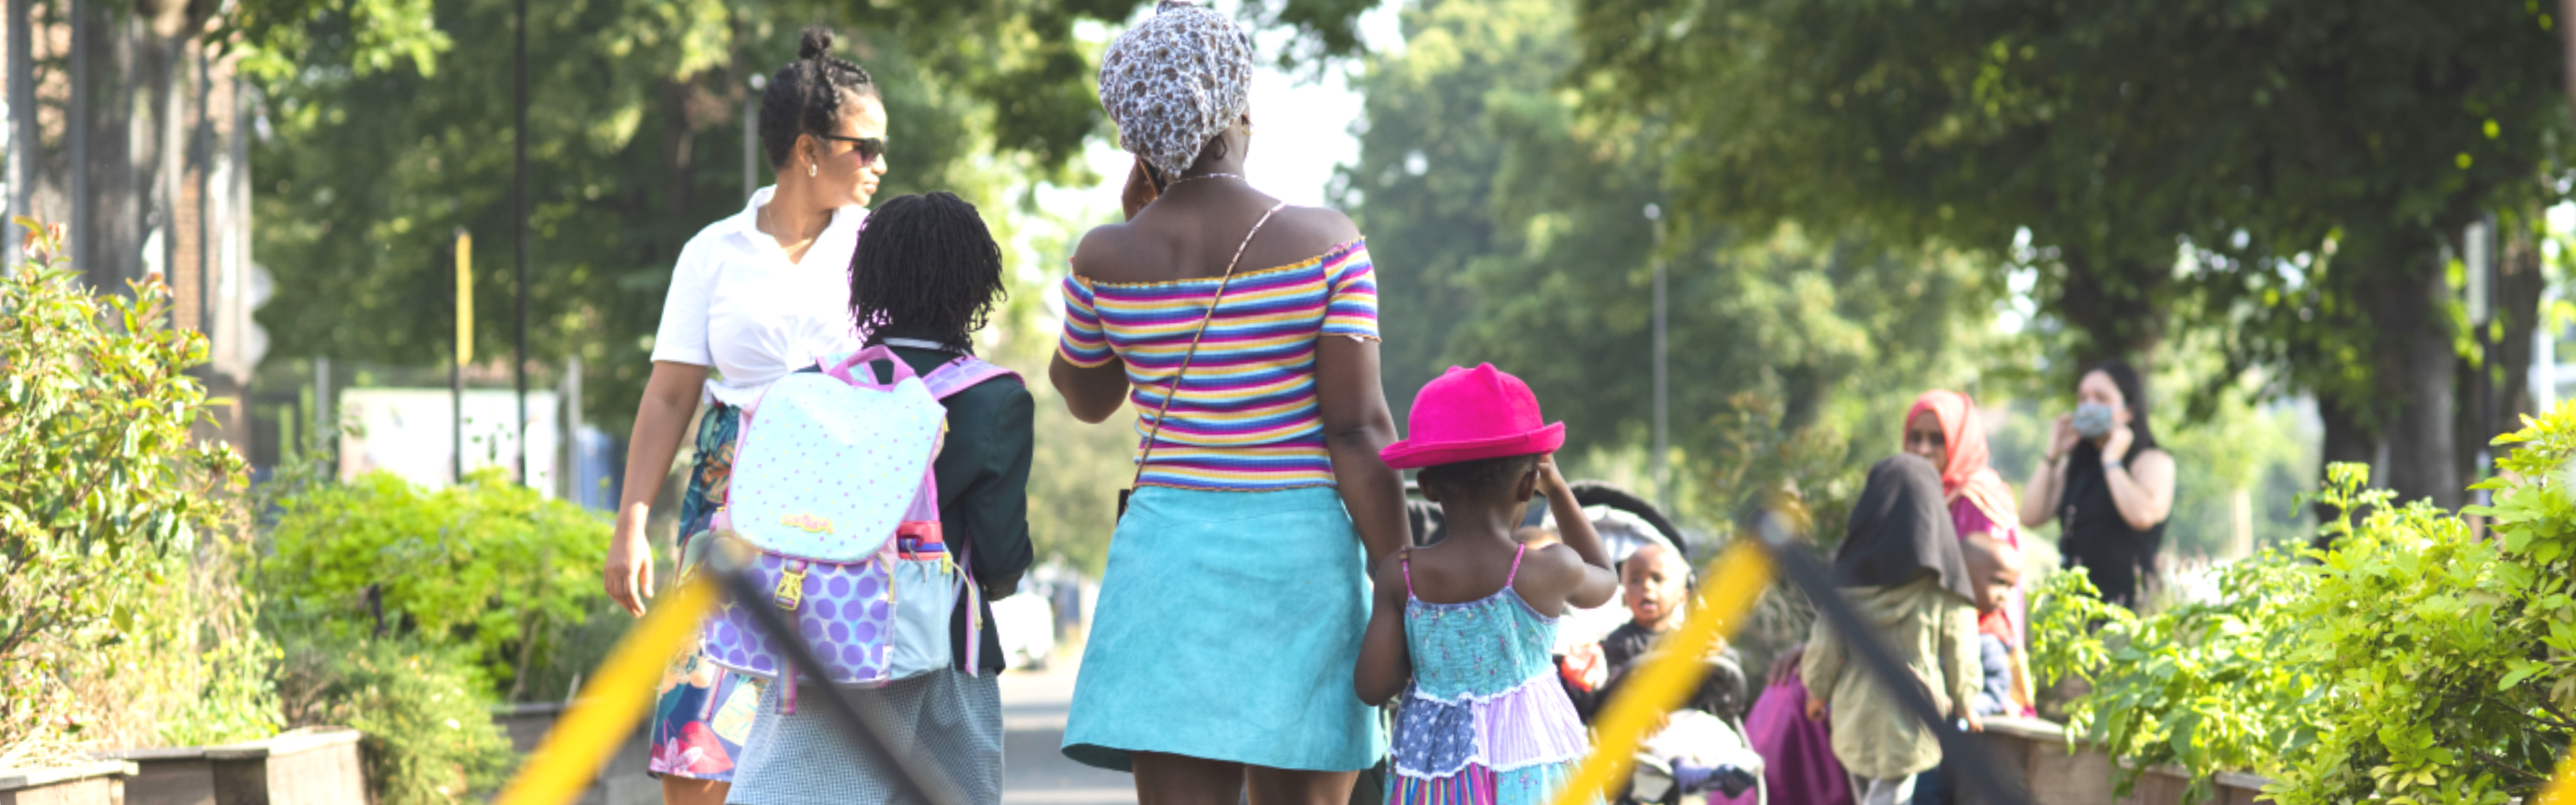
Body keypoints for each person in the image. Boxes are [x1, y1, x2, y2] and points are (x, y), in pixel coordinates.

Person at [1049, 3, 1411, 800]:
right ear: (1240, 108)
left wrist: (1129, 230)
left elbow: (1085, 394)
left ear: (1136, 135)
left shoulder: (1106, 256)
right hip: (1300, 566)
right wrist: (1400, 577)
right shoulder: (1326, 243)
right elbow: (1356, 431)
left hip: (1167, 563)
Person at [606, 27, 889, 805]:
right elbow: (669, 395)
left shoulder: (882, 250)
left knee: (836, 739)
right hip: (727, 501)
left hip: (841, 512)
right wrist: (630, 518)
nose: (879, 165)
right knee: (699, 744)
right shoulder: (713, 252)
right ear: (809, 149)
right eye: (864, 148)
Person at [719, 192, 1034, 805]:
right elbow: (999, 556)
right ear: (975, 286)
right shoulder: (996, 399)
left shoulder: (810, 388)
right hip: (944, 648)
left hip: (823, 637)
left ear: (868, 279)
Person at [1356, 364, 1618, 805]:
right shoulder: (1548, 569)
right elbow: (1606, 580)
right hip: (1534, 761)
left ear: (1428, 488)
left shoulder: (1402, 576)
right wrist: (1557, 489)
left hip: (1437, 768)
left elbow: (1371, 687)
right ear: (1529, 484)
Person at [1801, 455, 1980, 805]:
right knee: (1891, 796)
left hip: (1855, 716)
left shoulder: (1846, 586)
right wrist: (1966, 702)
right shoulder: (1943, 589)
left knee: (1867, 794)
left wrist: (1817, 692)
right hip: (1913, 719)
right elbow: (1961, 648)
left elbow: (1824, 647)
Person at [1900, 390, 2033, 716]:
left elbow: (1986, 594)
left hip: (1969, 646)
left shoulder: (1980, 500)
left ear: (1959, 441)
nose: (1923, 449)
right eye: (1915, 438)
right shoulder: (1906, 492)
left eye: (1937, 439)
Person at [2017, 361, 2177, 608]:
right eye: (2083, 398)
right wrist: (2052, 454)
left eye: (2101, 398)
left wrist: (2112, 460)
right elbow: (2029, 516)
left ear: (2129, 410)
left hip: (2127, 609)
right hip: (2072, 607)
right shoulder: (2074, 463)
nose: (2089, 405)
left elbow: (2142, 516)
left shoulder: (2153, 461)